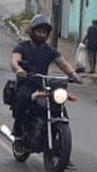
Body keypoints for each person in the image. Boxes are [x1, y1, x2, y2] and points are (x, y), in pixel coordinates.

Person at [10, 15, 82, 143]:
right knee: (23, 97)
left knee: (58, 103)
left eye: (44, 32)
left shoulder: (49, 50)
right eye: (39, 31)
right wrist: (19, 70)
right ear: (32, 31)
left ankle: (61, 134)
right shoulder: (22, 47)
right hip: (26, 83)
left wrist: (74, 75)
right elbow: (15, 60)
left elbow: (63, 64)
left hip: (42, 84)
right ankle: (18, 130)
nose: (41, 34)